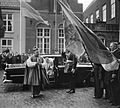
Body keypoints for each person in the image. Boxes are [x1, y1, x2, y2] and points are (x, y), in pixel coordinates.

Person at [109, 42, 120, 106]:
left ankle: (116, 101)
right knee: (112, 87)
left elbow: (116, 64)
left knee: (115, 87)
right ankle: (113, 100)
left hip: (115, 72)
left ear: (115, 47)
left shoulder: (117, 53)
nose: (110, 47)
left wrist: (114, 73)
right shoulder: (112, 53)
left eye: (111, 46)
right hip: (111, 71)